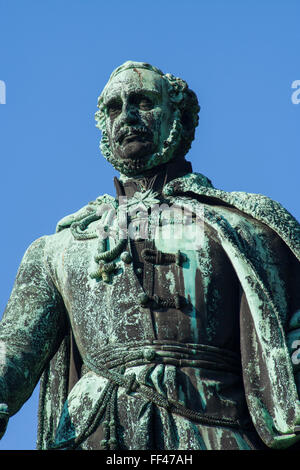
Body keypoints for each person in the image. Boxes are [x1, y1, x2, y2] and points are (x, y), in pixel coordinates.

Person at [0, 61, 300, 450]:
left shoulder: (249, 229)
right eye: (114, 107)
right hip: (97, 432)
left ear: (180, 119)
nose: (127, 117)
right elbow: (14, 351)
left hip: (214, 429)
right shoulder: (59, 248)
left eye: (143, 102)